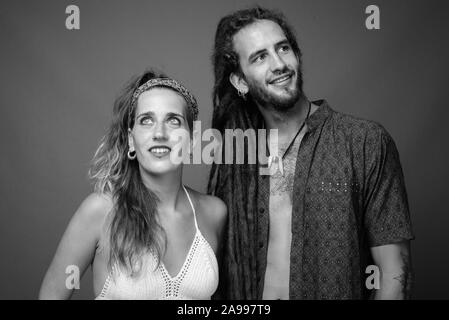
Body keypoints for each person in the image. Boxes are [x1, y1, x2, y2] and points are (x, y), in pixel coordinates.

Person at [208, 6, 414, 300]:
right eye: (260, 57)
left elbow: (395, 272)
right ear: (240, 81)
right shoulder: (237, 156)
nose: (279, 64)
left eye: (283, 48)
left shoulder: (364, 142)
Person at [39, 70, 227, 299]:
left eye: (173, 120)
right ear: (131, 139)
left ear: (192, 140)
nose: (159, 133)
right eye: (146, 121)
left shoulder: (214, 213)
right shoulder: (100, 211)